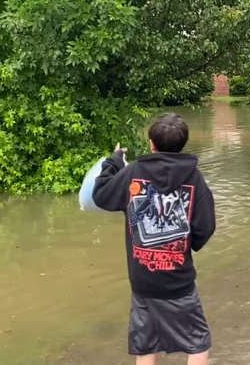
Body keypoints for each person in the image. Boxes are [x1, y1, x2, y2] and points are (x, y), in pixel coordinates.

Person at [93, 113, 216, 365]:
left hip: (143, 280)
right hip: (178, 280)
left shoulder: (133, 173)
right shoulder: (194, 178)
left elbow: (101, 194)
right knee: (198, 343)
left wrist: (114, 161)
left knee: (146, 343)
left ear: (152, 144)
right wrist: (188, 244)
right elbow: (205, 227)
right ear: (183, 144)